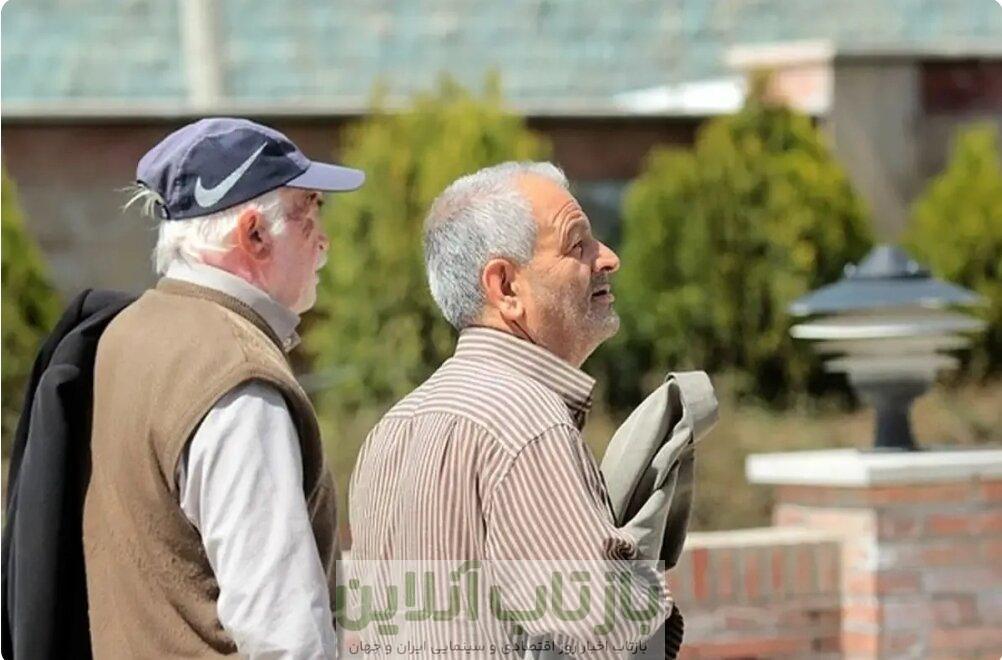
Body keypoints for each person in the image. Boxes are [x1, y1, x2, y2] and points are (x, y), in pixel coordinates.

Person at [348, 162, 686, 657]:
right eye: (578, 245)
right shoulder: (529, 422)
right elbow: (607, 629)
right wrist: (644, 579)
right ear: (505, 287)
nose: (608, 258)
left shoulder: (392, 426)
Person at [81, 117, 363, 658]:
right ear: (253, 234)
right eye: (308, 214)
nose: (323, 240)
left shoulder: (126, 333)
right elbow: (283, 634)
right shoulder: (237, 376)